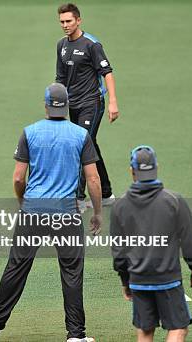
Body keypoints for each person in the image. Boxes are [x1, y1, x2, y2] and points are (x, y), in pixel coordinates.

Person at [0, 83, 102, 342]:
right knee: (71, 272)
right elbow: (93, 180)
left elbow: (17, 178)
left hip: (33, 210)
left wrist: (23, 201)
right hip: (66, 213)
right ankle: (75, 335)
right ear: (67, 105)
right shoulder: (80, 135)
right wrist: (98, 212)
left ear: (45, 105)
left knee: (16, 267)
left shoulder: (30, 132)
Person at [111, 146, 192, 342]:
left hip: (139, 279)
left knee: (145, 331)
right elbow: (189, 241)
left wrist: (125, 281)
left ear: (132, 170)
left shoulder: (120, 205)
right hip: (168, 278)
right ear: (156, 168)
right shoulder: (174, 201)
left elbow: (118, 251)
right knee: (178, 328)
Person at [56, 3, 119, 210]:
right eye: (62, 22)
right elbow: (61, 78)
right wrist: (57, 104)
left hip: (92, 103)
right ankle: (107, 193)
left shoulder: (91, 44)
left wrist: (112, 102)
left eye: (69, 21)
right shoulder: (61, 45)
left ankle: (78, 198)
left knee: (80, 145)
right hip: (73, 105)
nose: (65, 25)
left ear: (78, 20)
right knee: (91, 144)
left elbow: (107, 72)